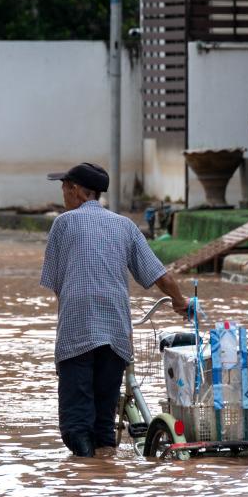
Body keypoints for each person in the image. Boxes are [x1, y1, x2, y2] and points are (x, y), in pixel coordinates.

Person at [40, 162, 195, 459]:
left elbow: (57, 285)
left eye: (64, 187)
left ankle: (87, 478)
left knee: (76, 424)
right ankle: (107, 476)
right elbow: (160, 276)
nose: (62, 193)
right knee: (103, 424)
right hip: (115, 334)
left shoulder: (63, 224)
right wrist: (180, 302)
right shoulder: (125, 226)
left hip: (77, 332)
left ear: (75, 190)